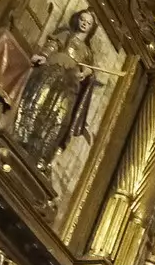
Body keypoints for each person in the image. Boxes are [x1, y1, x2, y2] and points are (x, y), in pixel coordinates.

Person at [11, 10, 102, 172]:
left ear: (91, 28)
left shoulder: (88, 52)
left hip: (70, 83)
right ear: (77, 20)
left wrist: (85, 72)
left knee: (60, 115)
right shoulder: (67, 35)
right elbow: (53, 45)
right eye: (82, 20)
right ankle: (21, 138)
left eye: (88, 23)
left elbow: (88, 68)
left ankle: (42, 153)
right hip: (54, 70)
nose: (84, 24)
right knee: (38, 99)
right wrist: (44, 55)